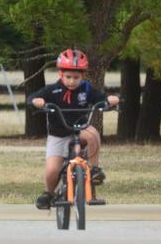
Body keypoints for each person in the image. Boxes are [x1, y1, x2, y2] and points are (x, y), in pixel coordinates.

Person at [29, 48, 119, 210]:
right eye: (68, 77)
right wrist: (37, 101)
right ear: (60, 74)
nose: (72, 81)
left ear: (83, 76)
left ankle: (93, 171)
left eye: (76, 77)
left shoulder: (86, 89)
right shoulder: (52, 90)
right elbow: (33, 97)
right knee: (51, 171)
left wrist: (109, 100)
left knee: (93, 133)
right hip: (59, 134)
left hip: (79, 129)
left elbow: (101, 98)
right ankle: (49, 193)